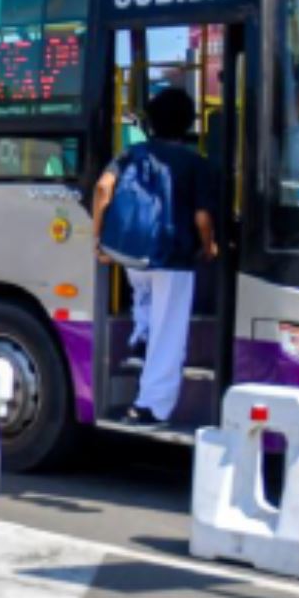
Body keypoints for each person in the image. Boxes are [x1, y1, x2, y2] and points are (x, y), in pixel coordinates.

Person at [93, 85, 218, 427]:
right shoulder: (196, 164)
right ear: (189, 123)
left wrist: (99, 241)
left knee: (143, 294)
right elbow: (203, 218)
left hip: (133, 253)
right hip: (173, 256)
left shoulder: (130, 153)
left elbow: (103, 189)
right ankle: (151, 406)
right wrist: (209, 246)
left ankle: (139, 339)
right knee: (170, 328)